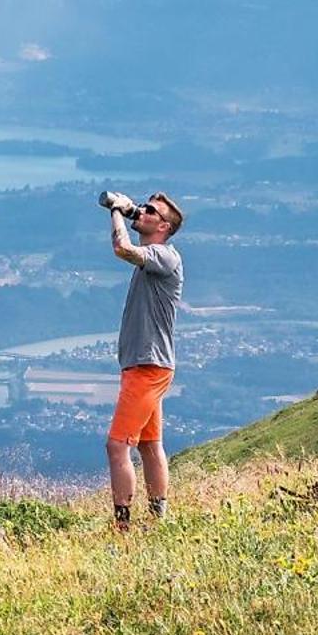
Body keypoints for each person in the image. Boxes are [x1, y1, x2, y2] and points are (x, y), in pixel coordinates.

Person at [104, 192, 185, 529]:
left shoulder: (164, 255)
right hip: (149, 363)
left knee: (117, 445)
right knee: (150, 445)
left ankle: (123, 525)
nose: (143, 211)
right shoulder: (156, 257)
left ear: (163, 226)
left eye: (151, 211)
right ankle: (157, 520)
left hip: (147, 365)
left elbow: (122, 249)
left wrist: (117, 212)